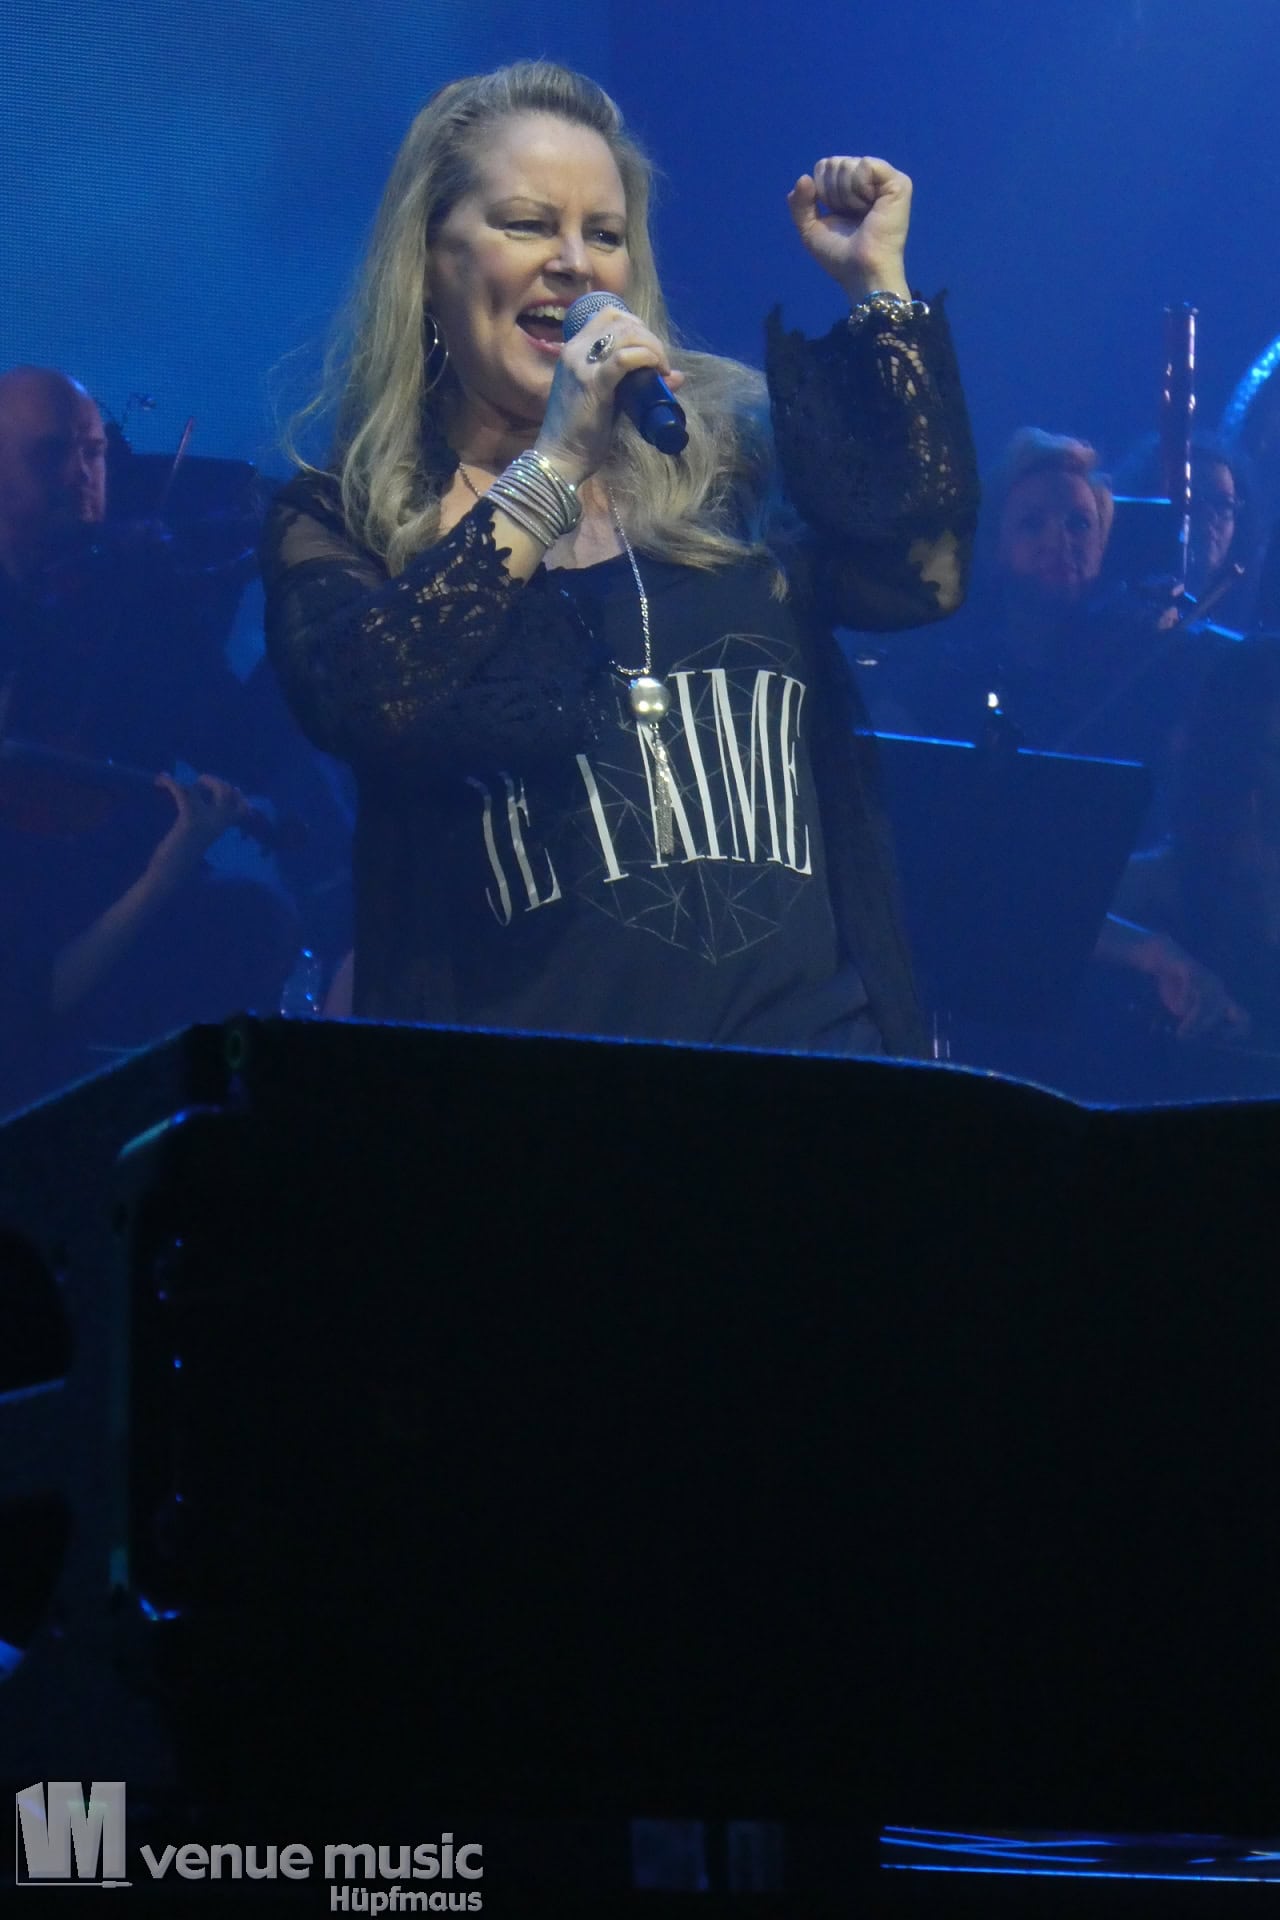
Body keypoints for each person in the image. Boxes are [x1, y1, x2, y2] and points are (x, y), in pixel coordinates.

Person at [261, 60, 979, 1058]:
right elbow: (367, 699)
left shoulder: (728, 458)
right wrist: (555, 464)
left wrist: (877, 287)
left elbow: (923, 577)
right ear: (426, 262)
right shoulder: (348, 521)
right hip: (555, 1108)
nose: (573, 264)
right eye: (527, 225)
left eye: (603, 234)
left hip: (814, 1075)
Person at [0, 366, 295, 1111]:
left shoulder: (138, 604)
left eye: (94, 453)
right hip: (20, 901)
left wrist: (302, 618)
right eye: (50, 454)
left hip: (119, 888)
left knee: (251, 924)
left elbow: (243, 749)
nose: (80, 476)